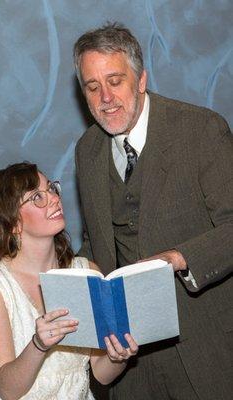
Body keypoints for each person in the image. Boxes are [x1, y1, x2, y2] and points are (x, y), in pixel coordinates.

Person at [73, 22, 233, 400]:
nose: (105, 98)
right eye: (92, 87)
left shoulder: (201, 130)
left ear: (141, 79)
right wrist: (67, 277)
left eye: (115, 81)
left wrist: (178, 258)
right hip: (129, 363)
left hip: (206, 349)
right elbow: (97, 241)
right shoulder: (87, 150)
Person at [0, 161, 138, 400]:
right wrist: (38, 344)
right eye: (37, 196)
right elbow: (7, 390)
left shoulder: (86, 271)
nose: (54, 199)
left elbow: (102, 373)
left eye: (51, 189)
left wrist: (119, 355)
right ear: (13, 223)